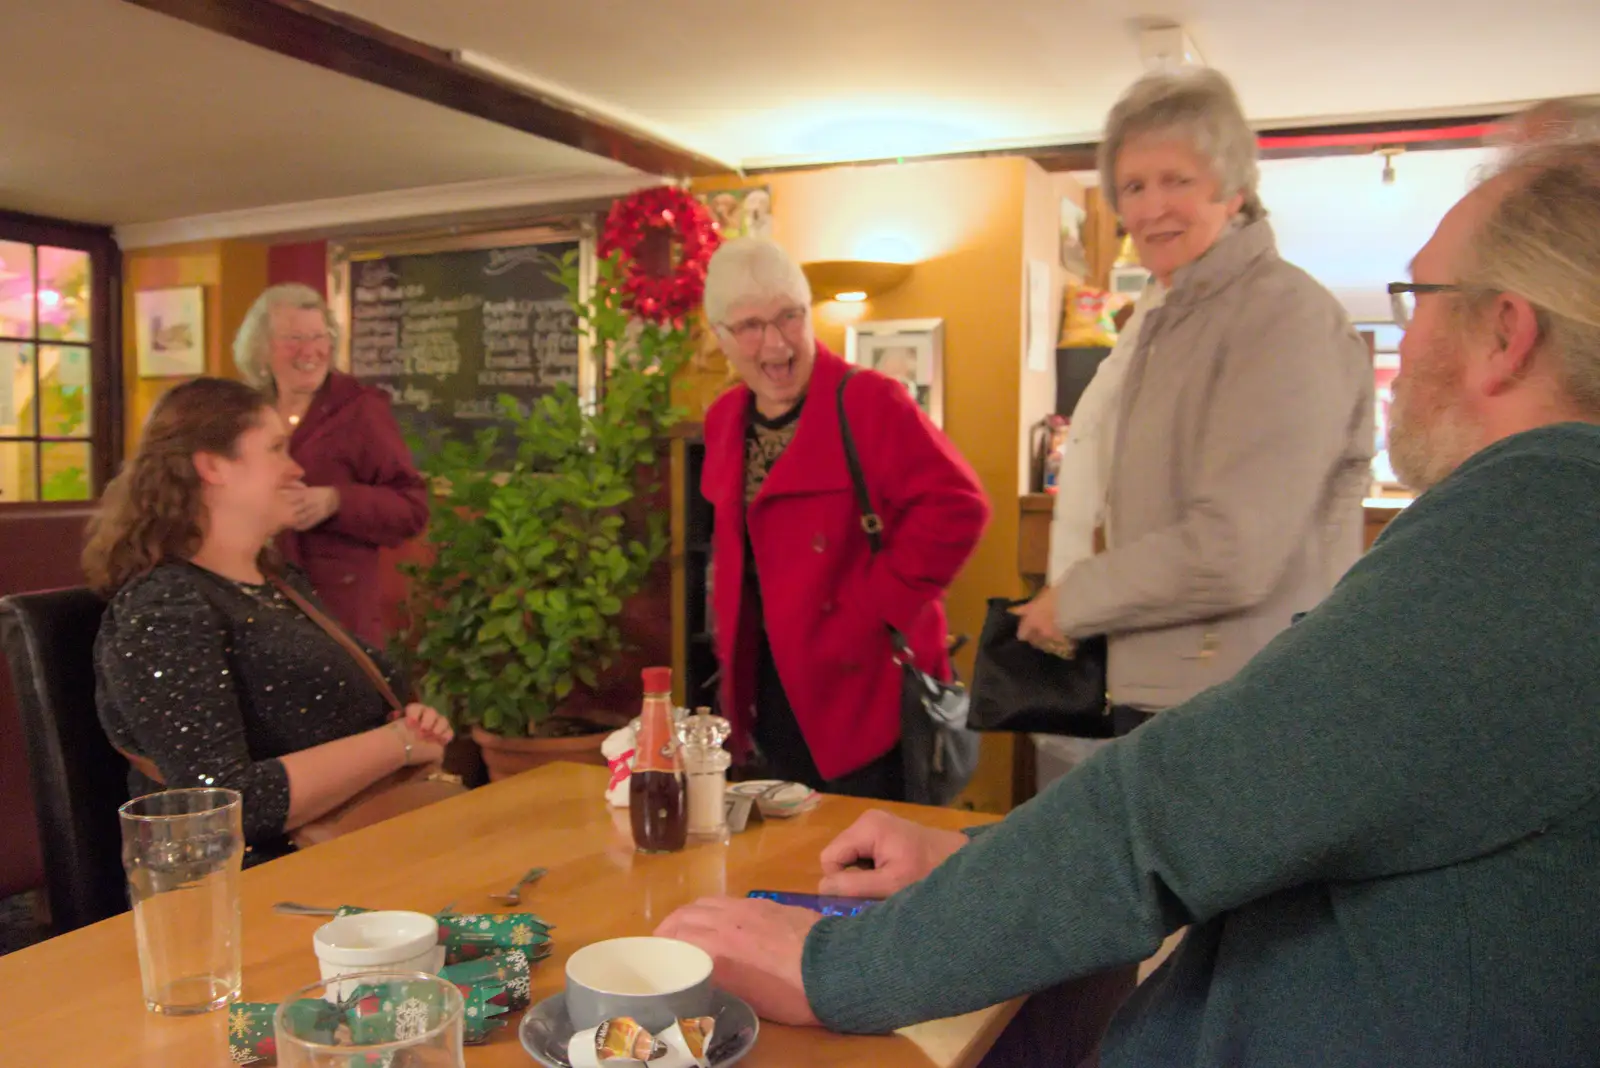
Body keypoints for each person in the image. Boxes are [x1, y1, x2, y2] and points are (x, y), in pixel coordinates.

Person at [657, 139, 1600, 1066]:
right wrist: (974, 858)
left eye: (1417, 298)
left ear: (1507, 333)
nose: (1405, 332)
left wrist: (841, 971)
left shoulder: (1536, 517)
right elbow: (1276, 807)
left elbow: (1182, 805)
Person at [1023, 68, 1374, 736]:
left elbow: (1234, 549)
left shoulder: (1282, 316)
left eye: (1176, 180)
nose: (1152, 208)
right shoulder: (1169, 320)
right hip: (1182, 691)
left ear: (1233, 186)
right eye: (1133, 186)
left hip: (1247, 701)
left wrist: (1076, 598)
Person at [85, 377, 452, 861]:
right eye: (277, 448)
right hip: (262, 890)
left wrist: (407, 722)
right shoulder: (163, 609)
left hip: (364, 849)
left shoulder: (279, 581)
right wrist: (399, 745)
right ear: (212, 466)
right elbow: (226, 804)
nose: (296, 468)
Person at [699, 238, 989, 800]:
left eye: (790, 317)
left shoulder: (869, 401)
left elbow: (959, 506)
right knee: (781, 871)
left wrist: (875, 608)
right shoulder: (724, 419)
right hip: (765, 686)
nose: (777, 344)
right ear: (722, 339)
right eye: (752, 326)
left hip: (865, 689)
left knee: (872, 872)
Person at [232, 284, 428, 645]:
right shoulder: (244, 410)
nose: (310, 351)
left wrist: (336, 501)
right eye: (294, 338)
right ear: (262, 347)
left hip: (335, 612)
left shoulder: (360, 409)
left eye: (319, 337)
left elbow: (412, 508)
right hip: (252, 601)